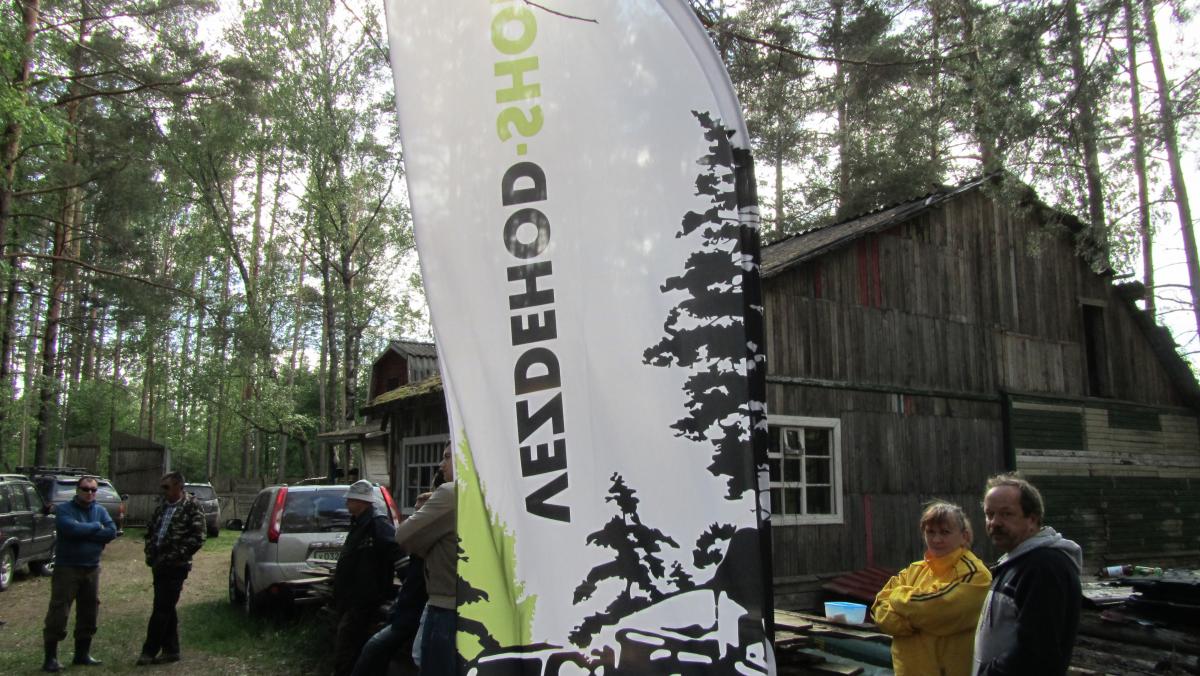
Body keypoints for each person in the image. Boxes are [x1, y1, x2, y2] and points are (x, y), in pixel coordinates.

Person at [973, 473, 1082, 676]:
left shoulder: (1044, 567)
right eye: (990, 514)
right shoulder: (1015, 562)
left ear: (1032, 519)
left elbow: (1036, 653)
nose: (994, 522)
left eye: (1006, 514)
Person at [872, 500, 991, 676]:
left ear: (964, 536)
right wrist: (910, 622)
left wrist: (897, 595)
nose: (936, 539)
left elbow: (938, 610)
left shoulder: (975, 574)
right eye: (930, 532)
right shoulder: (914, 570)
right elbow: (878, 609)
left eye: (945, 532)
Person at [41, 475, 118, 672]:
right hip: (67, 568)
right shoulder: (65, 509)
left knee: (89, 610)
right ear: (78, 490)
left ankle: (82, 654)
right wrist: (95, 527)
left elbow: (111, 531)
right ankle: (50, 658)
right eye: (86, 489)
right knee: (59, 610)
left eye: (93, 490)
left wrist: (85, 533)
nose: (90, 493)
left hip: (92, 568)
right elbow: (70, 529)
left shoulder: (100, 510)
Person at [349, 493, 432, 676]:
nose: (414, 517)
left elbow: (415, 586)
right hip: (403, 612)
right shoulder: (418, 544)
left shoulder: (427, 545)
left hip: (413, 616)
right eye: (414, 511)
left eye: (420, 511)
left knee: (373, 649)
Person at [395, 444, 457, 675]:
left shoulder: (450, 493)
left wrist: (428, 543)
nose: (441, 465)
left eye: (447, 457)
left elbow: (404, 537)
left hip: (446, 606)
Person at [333, 479, 402, 676]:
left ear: (361, 501)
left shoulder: (377, 524)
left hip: (365, 597)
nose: (347, 502)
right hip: (352, 596)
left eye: (350, 499)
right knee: (350, 643)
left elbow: (397, 551)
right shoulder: (359, 523)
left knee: (347, 644)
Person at [137, 472, 206, 666]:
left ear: (178, 486)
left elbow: (198, 537)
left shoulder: (191, 506)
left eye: (166, 487)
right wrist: (150, 553)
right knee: (166, 606)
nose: (163, 491)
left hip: (176, 566)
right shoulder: (163, 507)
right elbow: (151, 531)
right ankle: (171, 650)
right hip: (158, 564)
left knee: (161, 608)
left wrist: (177, 556)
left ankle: (149, 651)